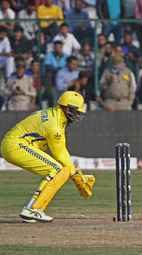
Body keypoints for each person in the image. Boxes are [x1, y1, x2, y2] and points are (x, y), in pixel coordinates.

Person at [1, 91, 95, 222]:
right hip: (15, 146)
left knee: (63, 170)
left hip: (14, 144)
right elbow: (60, 154)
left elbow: (62, 153)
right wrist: (77, 179)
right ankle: (32, 209)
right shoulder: (54, 126)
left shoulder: (55, 115)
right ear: (68, 108)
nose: (78, 115)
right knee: (56, 170)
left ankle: (33, 210)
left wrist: (73, 173)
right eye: (77, 111)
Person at [43, 40, 69, 107]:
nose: (58, 49)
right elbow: (47, 66)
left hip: (63, 74)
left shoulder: (66, 56)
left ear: (62, 48)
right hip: (53, 73)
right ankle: (49, 90)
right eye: (56, 47)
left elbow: (67, 66)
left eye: (59, 47)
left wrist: (60, 72)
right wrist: (57, 71)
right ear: (54, 48)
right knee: (48, 73)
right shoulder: (49, 55)